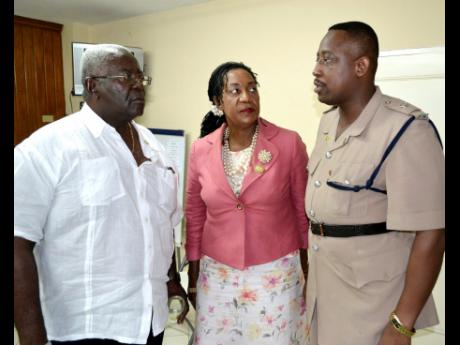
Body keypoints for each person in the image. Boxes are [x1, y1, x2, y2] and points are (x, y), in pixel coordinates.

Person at [14, 44, 188, 345]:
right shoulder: (46, 149)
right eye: (126, 76)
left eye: (141, 77)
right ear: (92, 85)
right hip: (85, 328)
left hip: (151, 322)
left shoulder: (154, 148)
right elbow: (17, 244)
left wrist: (172, 281)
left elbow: (160, 224)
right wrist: (32, 339)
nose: (138, 84)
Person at [305, 21, 445, 345]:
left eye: (327, 59)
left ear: (361, 66)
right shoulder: (327, 124)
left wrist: (401, 325)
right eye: (317, 59)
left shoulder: (407, 130)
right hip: (323, 294)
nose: (315, 69)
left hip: (371, 308)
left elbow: (433, 233)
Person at [185, 61, 310, 345]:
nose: (246, 97)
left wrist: (308, 269)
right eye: (235, 90)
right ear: (218, 101)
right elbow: (194, 214)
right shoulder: (200, 150)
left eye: (252, 89)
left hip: (275, 272)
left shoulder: (288, 144)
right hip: (217, 273)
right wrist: (193, 274)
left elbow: (303, 213)